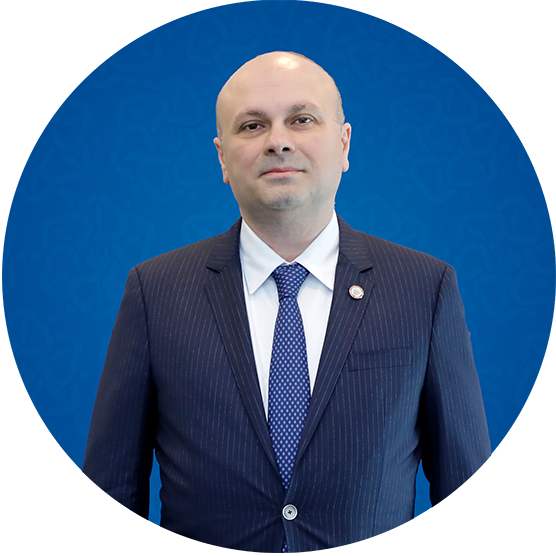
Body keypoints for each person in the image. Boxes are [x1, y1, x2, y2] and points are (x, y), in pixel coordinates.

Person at [82, 51, 512, 553]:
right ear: (222, 157)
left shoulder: (424, 287)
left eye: (302, 119)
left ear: (344, 144)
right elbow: (111, 494)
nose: (278, 141)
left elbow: (468, 496)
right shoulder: (155, 291)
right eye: (252, 126)